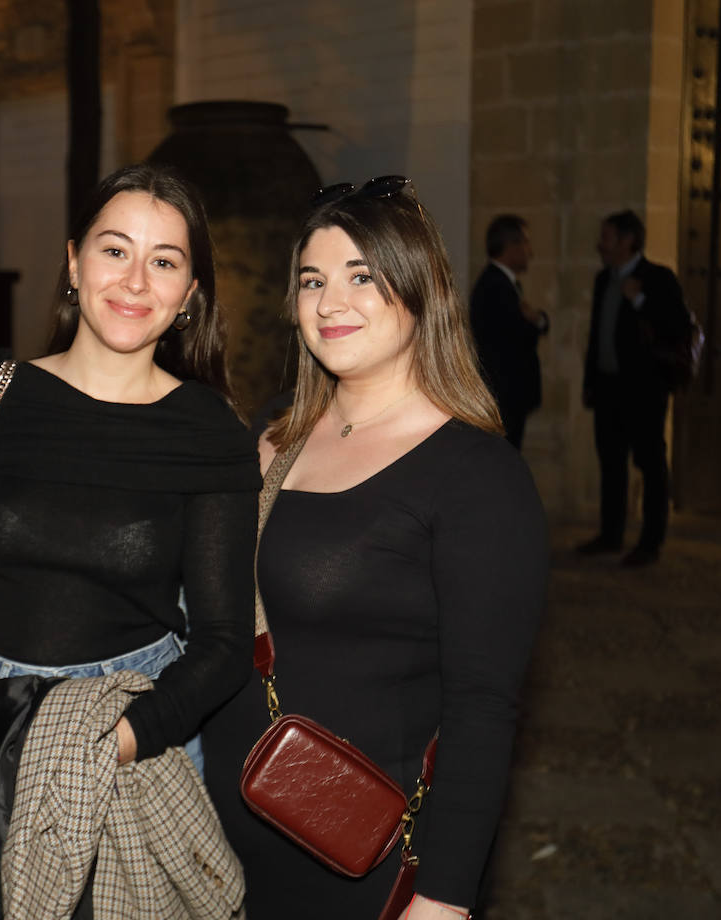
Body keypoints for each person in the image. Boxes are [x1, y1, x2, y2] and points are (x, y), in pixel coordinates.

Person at [201, 177, 548, 920]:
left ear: (420, 288)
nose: (331, 303)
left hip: (357, 863)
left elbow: (482, 711)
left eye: (362, 276)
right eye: (312, 280)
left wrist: (444, 899)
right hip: (212, 850)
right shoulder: (274, 434)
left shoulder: (477, 477)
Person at [0, 163, 260, 776]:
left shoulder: (207, 432)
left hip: (128, 730)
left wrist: (111, 744)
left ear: (188, 292)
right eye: (115, 250)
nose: (134, 282)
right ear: (75, 264)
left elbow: (225, 646)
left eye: (163, 261)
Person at [578, 209, 691, 566]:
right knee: (611, 463)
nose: (601, 245)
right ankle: (610, 534)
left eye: (607, 237)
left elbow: (676, 327)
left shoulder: (657, 278)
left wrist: (639, 300)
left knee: (651, 463)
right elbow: (598, 337)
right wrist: (591, 384)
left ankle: (650, 542)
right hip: (609, 389)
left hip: (644, 391)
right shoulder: (602, 280)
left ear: (628, 241)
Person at [469, 214, 549, 449]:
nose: (530, 252)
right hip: (505, 392)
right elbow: (516, 337)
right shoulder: (496, 287)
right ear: (511, 246)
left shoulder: (505, 284)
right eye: (526, 243)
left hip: (507, 393)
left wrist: (538, 320)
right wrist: (536, 323)